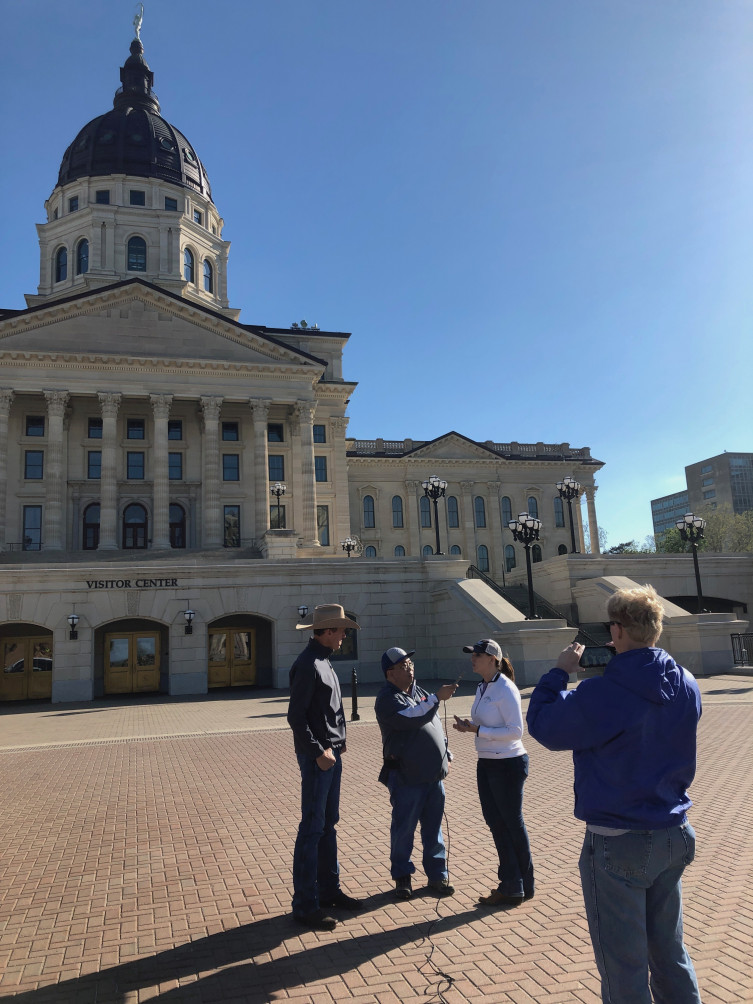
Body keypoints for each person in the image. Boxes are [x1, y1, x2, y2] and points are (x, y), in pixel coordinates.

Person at [526, 585, 702, 1004]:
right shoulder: (687, 683)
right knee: (670, 952)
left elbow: (545, 725)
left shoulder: (603, 692)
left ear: (618, 630)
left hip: (618, 837)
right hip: (673, 829)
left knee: (624, 965)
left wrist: (559, 672)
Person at [287, 603, 363, 931]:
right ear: (328, 631)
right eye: (341, 630)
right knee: (312, 828)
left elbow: (329, 712)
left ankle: (329, 892)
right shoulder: (307, 665)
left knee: (327, 825)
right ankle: (305, 904)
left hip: (331, 756)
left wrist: (338, 742)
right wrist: (319, 751)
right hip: (319, 758)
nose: (345, 635)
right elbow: (296, 717)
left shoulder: (324, 662)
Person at [452, 639, 534, 906]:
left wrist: (478, 731)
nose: (472, 658)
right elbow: (485, 722)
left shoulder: (506, 688)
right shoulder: (482, 686)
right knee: (497, 824)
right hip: (487, 762)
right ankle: (514, 884)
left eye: (477, 655)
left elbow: (515, 731)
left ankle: (519, 883)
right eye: (471, 654)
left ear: (492, 659)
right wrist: (470, 726)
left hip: (508, 763)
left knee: (511, 824)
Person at [375, 647, 457, 899]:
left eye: (410, 663)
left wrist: (447, 753)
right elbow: (412, 717)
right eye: (402, 666)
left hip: (433, 775)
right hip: (406, 776)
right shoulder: (388, 698)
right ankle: (402, 877)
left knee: (433, 829)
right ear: (390, 674)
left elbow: (435, 725)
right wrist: (436, 699)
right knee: (404, 829)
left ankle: (437, 876)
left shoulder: (420, 692)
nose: (409, 668)